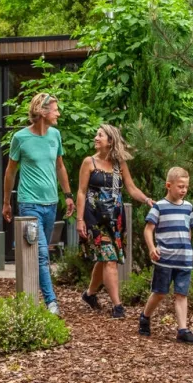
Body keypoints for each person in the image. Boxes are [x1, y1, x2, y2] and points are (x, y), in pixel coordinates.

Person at [3, 92, 75, 314]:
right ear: (43, 112)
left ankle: (29, 299)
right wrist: (7, 202)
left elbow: (60, 166)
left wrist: (68, 194)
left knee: (39, 254)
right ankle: (51, 302)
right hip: (29, 204)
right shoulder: (20, 138)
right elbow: (10, 171)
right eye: (55, 109)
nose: (58, 113)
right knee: (42, 254)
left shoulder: (55, 135)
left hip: (51, 204)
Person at [75, 123, 153, 318]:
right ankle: (118, 306)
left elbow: (131, 188)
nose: (95, 138)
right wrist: (79, 220)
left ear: (110, 141)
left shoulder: (119, 164)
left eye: (99, 135)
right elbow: (82, 192)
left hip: (115, 219)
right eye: (96, 134)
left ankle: (90, 294)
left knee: (105, 258)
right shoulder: (89, 163)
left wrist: (146, 199)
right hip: (95, 219)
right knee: (110, 259)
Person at [139, 166, 193, 342]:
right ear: (168, 185)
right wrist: (152, 248)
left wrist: (188, 248)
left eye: (186, 187)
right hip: (165, 258)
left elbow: (188, 229)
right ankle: (145, 316)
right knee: (160, 292)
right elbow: (148, 229)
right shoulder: (159, 206)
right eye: (180, 186)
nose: (184, 190)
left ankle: (183, 330)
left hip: (184, 259)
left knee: (182, 294)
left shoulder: (188, 207)